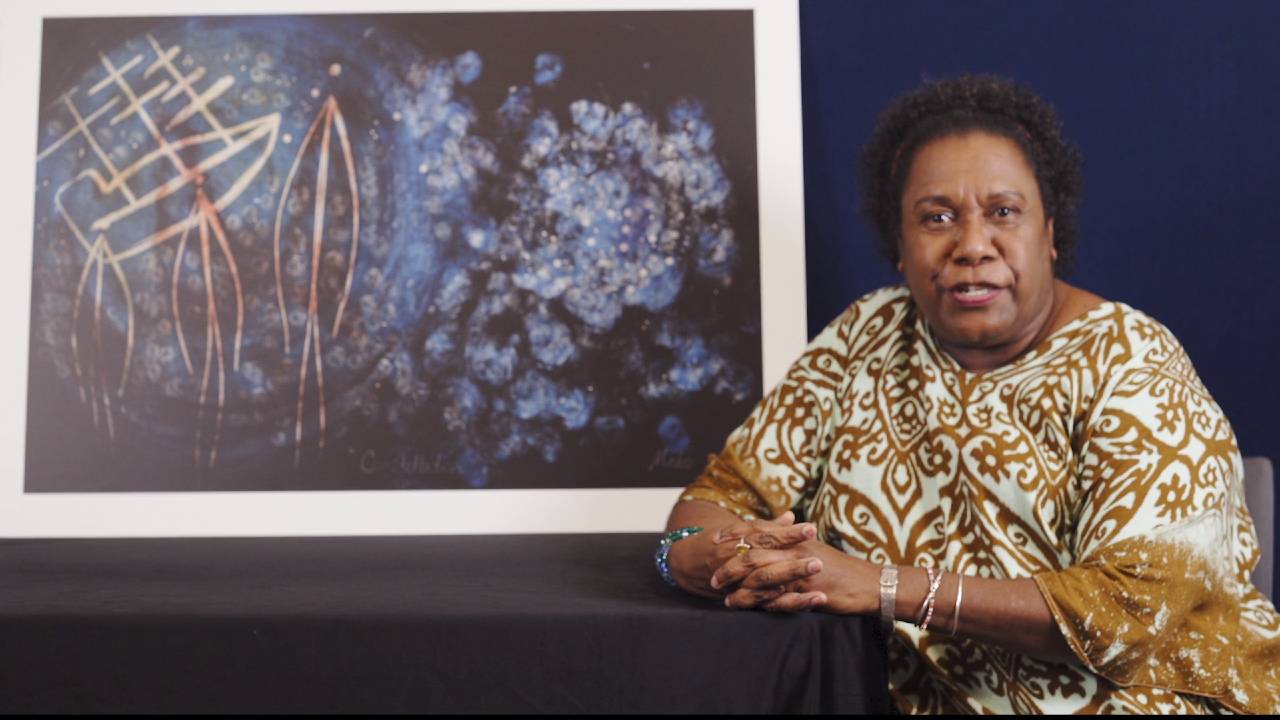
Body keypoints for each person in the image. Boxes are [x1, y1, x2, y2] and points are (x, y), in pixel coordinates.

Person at [657, 75, 1280, 713]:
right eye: (937, 218)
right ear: (899, 247)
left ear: (1051, 233)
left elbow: (1124, 611)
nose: (973, 246)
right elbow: (721, 496)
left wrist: (881, 586)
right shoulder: (867, 336)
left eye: (1003, 212)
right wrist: (709, 558)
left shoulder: (1133, 363)